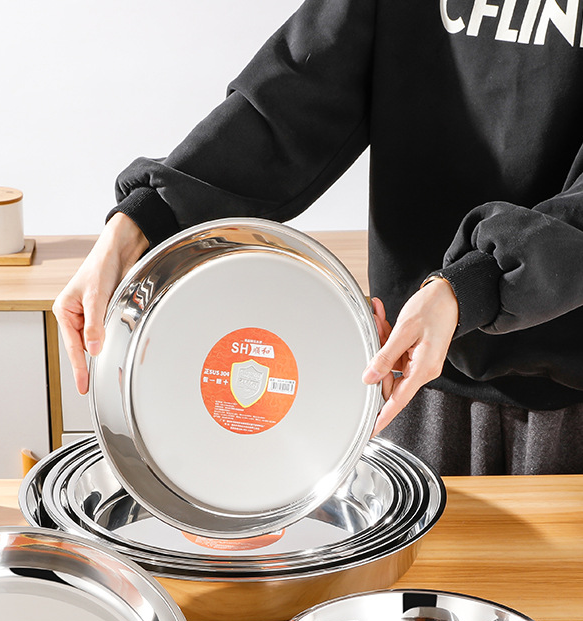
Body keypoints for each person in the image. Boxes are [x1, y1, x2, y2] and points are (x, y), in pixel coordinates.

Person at [54, 0, 583, 476]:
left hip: (567, 383)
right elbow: (294, 94)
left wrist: (474, 285)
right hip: (411, 370)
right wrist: (142, 220)